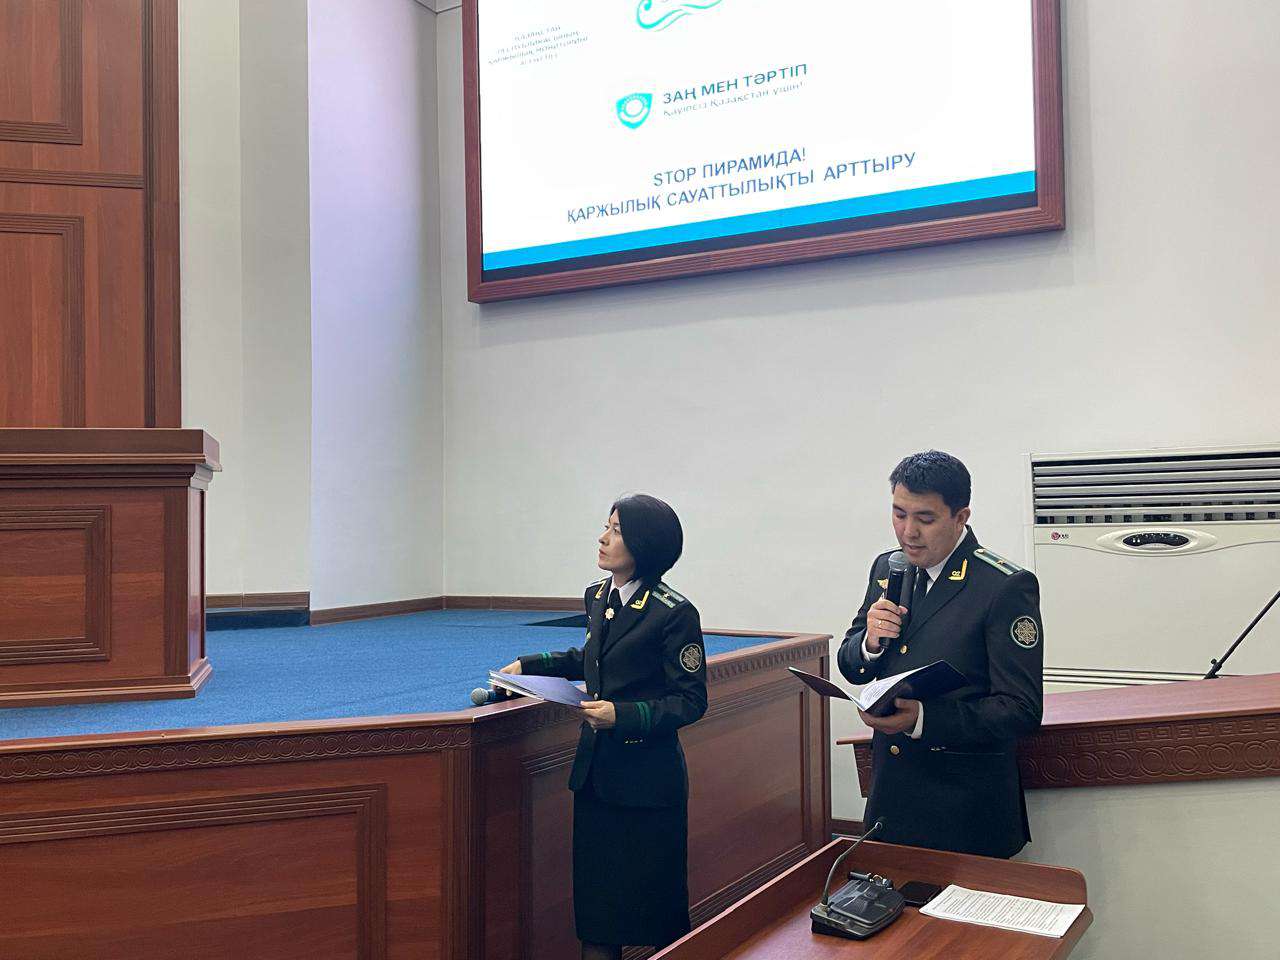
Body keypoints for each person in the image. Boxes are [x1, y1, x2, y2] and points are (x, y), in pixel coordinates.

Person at [500, 494, 708, 960]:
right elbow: (592, 658)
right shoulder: (598, 596)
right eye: (606, 526)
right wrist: (530, 665)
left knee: (658, 912)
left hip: (648, 784)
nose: (603, 537)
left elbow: (691, 701)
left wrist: (622, 715)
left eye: (616, 530)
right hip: (597, 777)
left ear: (644, 544)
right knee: (597, 913)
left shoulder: (673, 612)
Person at [836, 450, 1043, 859]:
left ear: (960, 517)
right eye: (899, 514)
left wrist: (922, 719)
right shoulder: (888, 567)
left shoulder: (1003, 586)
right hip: (893, 798)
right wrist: (869, 643)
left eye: (925, 519)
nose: (908, 532)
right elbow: (851, 665)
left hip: (964, 809)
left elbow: (1021, 709)